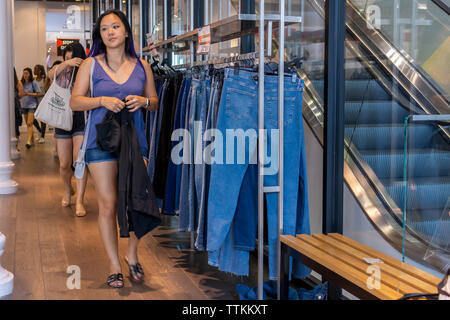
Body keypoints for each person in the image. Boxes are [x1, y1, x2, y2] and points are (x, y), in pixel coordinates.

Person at [70, 9, 158, 288]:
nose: (110, 32)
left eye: (115, 26)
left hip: (135, 142)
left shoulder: (142, 66)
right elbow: (75, 101)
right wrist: (101, 101)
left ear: (126, 32)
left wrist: (142, 102)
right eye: (105, 28)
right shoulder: (90, 65)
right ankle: (113, 262)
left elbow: (154, 101)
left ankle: (132, 253)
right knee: (108, 205)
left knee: (136, 200)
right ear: (100, 35)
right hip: (100, 141)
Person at [48, 43, 88, 217]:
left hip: (81, 118)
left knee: (79, 161)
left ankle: (80, 200)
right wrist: (67, 64)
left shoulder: (86, 71)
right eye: (66, 57)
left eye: (72, 57)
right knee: (64, 164)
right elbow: (50, 74)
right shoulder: (61, 70)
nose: (69, 59)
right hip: (62, 118)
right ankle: (67, 189)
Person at [20, 67, 42, 149]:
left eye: (27, 73)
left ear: (30, 74)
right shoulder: (21, 83)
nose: (25, 75)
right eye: (24, 73)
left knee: (30, 123)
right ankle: (31, 139)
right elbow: (20, 93)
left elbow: (39, 94)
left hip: (32, 105)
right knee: (28, 124)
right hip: (23, 106)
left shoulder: (34, 83)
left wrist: (28, 94)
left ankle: (28, 141)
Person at [33, 64, 48, 144]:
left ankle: (42, 136)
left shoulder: (44, 79)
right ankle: (39, 130)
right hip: (34, 102)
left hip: (42, 102)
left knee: (42, 119)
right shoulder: (33, 80)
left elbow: (47, 92)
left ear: (40, 71)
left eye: (35, 69)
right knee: (32, 118)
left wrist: (40, 95)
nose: (34, 70)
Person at [14, 68, 24, 150]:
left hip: (15, 107)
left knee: (16, 127)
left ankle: (15, 146)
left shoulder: (17, 82)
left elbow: (21, 94)